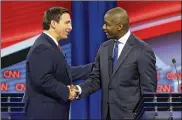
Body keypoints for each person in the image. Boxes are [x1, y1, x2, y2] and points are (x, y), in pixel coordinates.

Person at [70, 7, 157, 119]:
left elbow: (148, 92)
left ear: (120, 26)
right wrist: (78, 90)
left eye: (107, 24)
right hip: (107, 115)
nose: (103, 27)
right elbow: (96, 79)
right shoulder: (104, 48)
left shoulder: (142, 50)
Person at [23, 7, 93, 120]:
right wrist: (66, 91)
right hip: (43, 113)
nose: (70, 27)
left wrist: (95, 67)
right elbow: (43, 79)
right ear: (54, 23)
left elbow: (66, 72)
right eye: (67, 23)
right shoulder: (43, 47)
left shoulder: (50, 45)